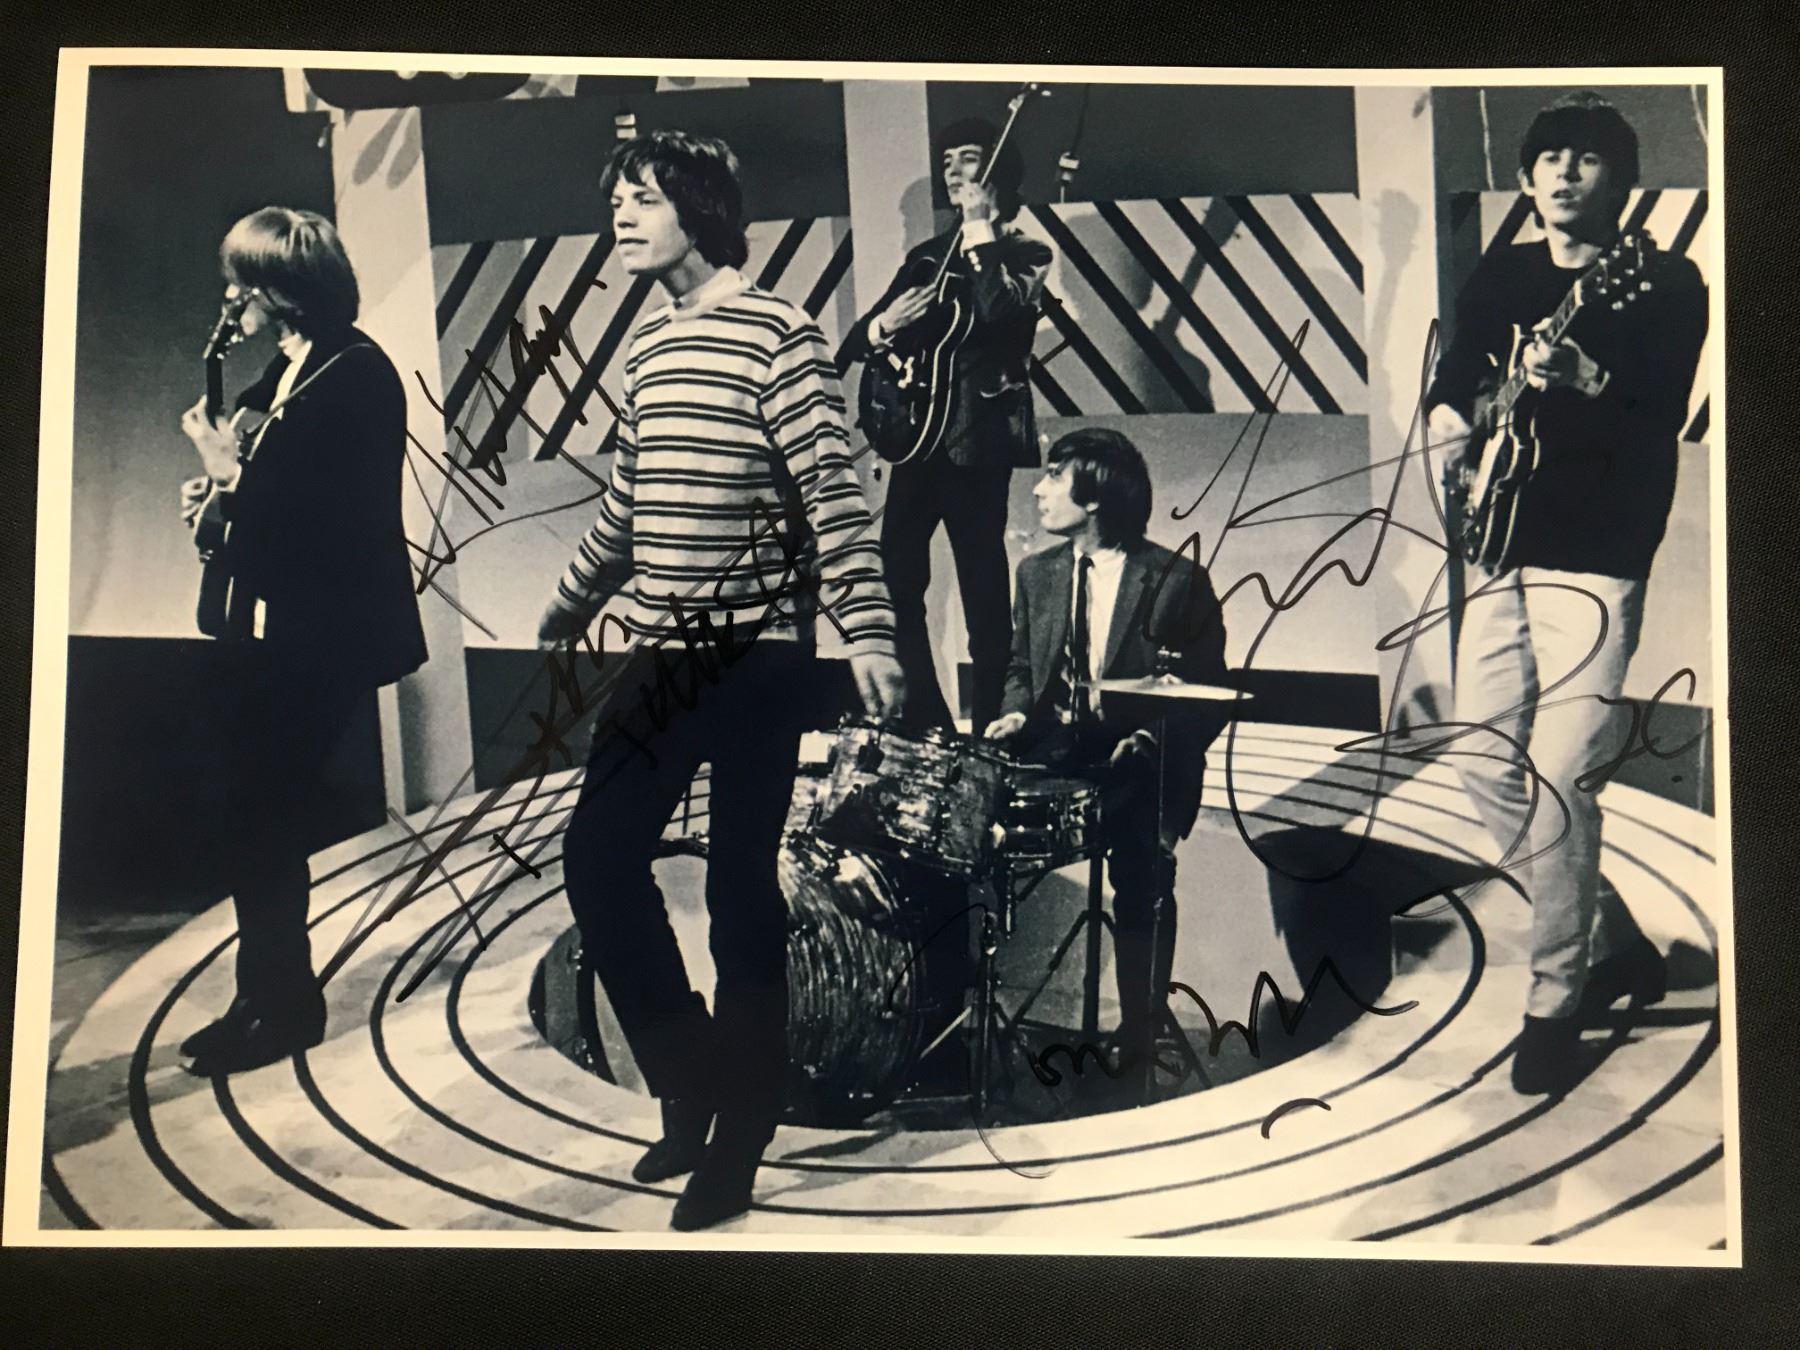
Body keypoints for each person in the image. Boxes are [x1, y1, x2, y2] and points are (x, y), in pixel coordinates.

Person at [537, 131, 904, 1230]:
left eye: (641, 198)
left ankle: (740, 1131)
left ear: (699, 208)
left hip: (758, 657)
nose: (620, 216)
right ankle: (689, 1072)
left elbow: (833, 496)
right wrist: (570, 598)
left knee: (743, 896)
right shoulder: (649, 345)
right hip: (662, 653)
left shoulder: (781, 334)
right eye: (616, 199)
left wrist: (870, 633)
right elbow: (628, 507)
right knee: (597, 859)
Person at [1425, 93, 1709, 1095]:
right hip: (1500, 543)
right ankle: (1610, 937)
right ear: (1528, 177)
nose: (1564, 173)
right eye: (1550, 158)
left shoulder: (1663, 282)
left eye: (1587, 159)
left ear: (1621, 180)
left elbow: (1659, 413)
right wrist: (1452, 424)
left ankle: (1556, 1000)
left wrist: (1588, 377)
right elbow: (1458, 375)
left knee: (1559, 775)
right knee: (1478, 758)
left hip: (1596, 554)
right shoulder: (1505, 272)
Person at [176, 207, 428, 1075]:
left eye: (240, 281)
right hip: (270, 631)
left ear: (283, 289)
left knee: (266, 814)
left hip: (322, 637)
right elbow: (263, 504)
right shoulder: (287, 373)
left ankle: (282, 1007)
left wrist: (229, 478)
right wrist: (218, 499)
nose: (230, 298)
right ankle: (266, 998)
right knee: (253, 815)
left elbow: (328, 528)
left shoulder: (355, 376)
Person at [983, 428, 1228, 1097]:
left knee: (1143, 879)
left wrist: (1149, 737)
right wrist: (1014, 713)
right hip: (1057, 750)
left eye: (1054, 477)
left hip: (1140, 760)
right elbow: (1021, 667)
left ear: (1095, 496)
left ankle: (1141, 1033)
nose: (1038, 491)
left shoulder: (1176, 580)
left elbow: (1208, 692)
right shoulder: (1036, 574)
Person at [838, 117, 1053, 735]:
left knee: (984, 594)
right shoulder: (927, 257)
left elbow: (1000, 307)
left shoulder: (1026, 252)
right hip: (916, 445)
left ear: (997, 171)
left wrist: (980, 226)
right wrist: (884, 326)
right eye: (947, 159)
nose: (953, 169)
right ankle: (926, 723)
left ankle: (991, 729)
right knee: (897, 583)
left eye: (969, 158)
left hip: (976, 446)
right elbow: (859, 341)